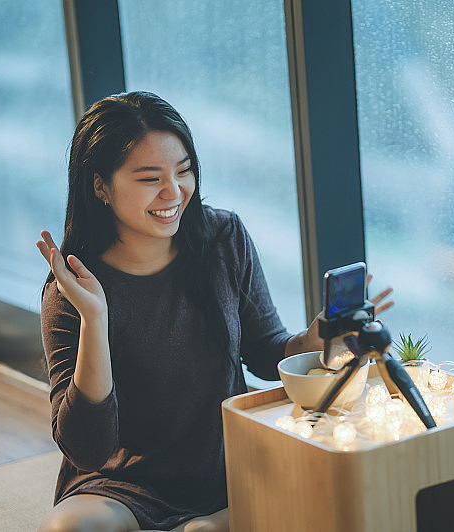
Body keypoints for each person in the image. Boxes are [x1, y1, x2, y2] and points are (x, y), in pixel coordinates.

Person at [35, 91, 393, 532]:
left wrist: (318, 337)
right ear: (100, 186)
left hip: (225, 467)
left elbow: (267, 351)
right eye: (150, 178)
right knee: (66, 529)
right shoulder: (70, 293)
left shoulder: (223, 238)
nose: (174, 192)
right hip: (122, 484)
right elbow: (87, 449)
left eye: (183, 171)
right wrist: (95, 320)